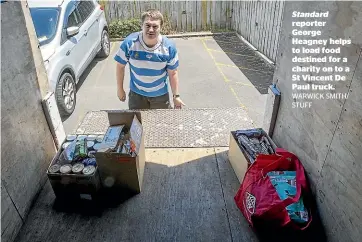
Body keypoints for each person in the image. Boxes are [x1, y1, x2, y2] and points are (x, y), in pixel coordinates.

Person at [114, 9, 185, 109]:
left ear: (161, 28)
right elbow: (120, 66)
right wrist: (120, 89)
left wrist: (176, 96)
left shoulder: (169, 47)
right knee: (137, 123)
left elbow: (173, 73)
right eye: (147, 25)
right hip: (136, 96)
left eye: (155, 26)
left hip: (160, 96)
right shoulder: (129, 43)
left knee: (162, 124)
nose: (151, 30)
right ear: (141, 25)